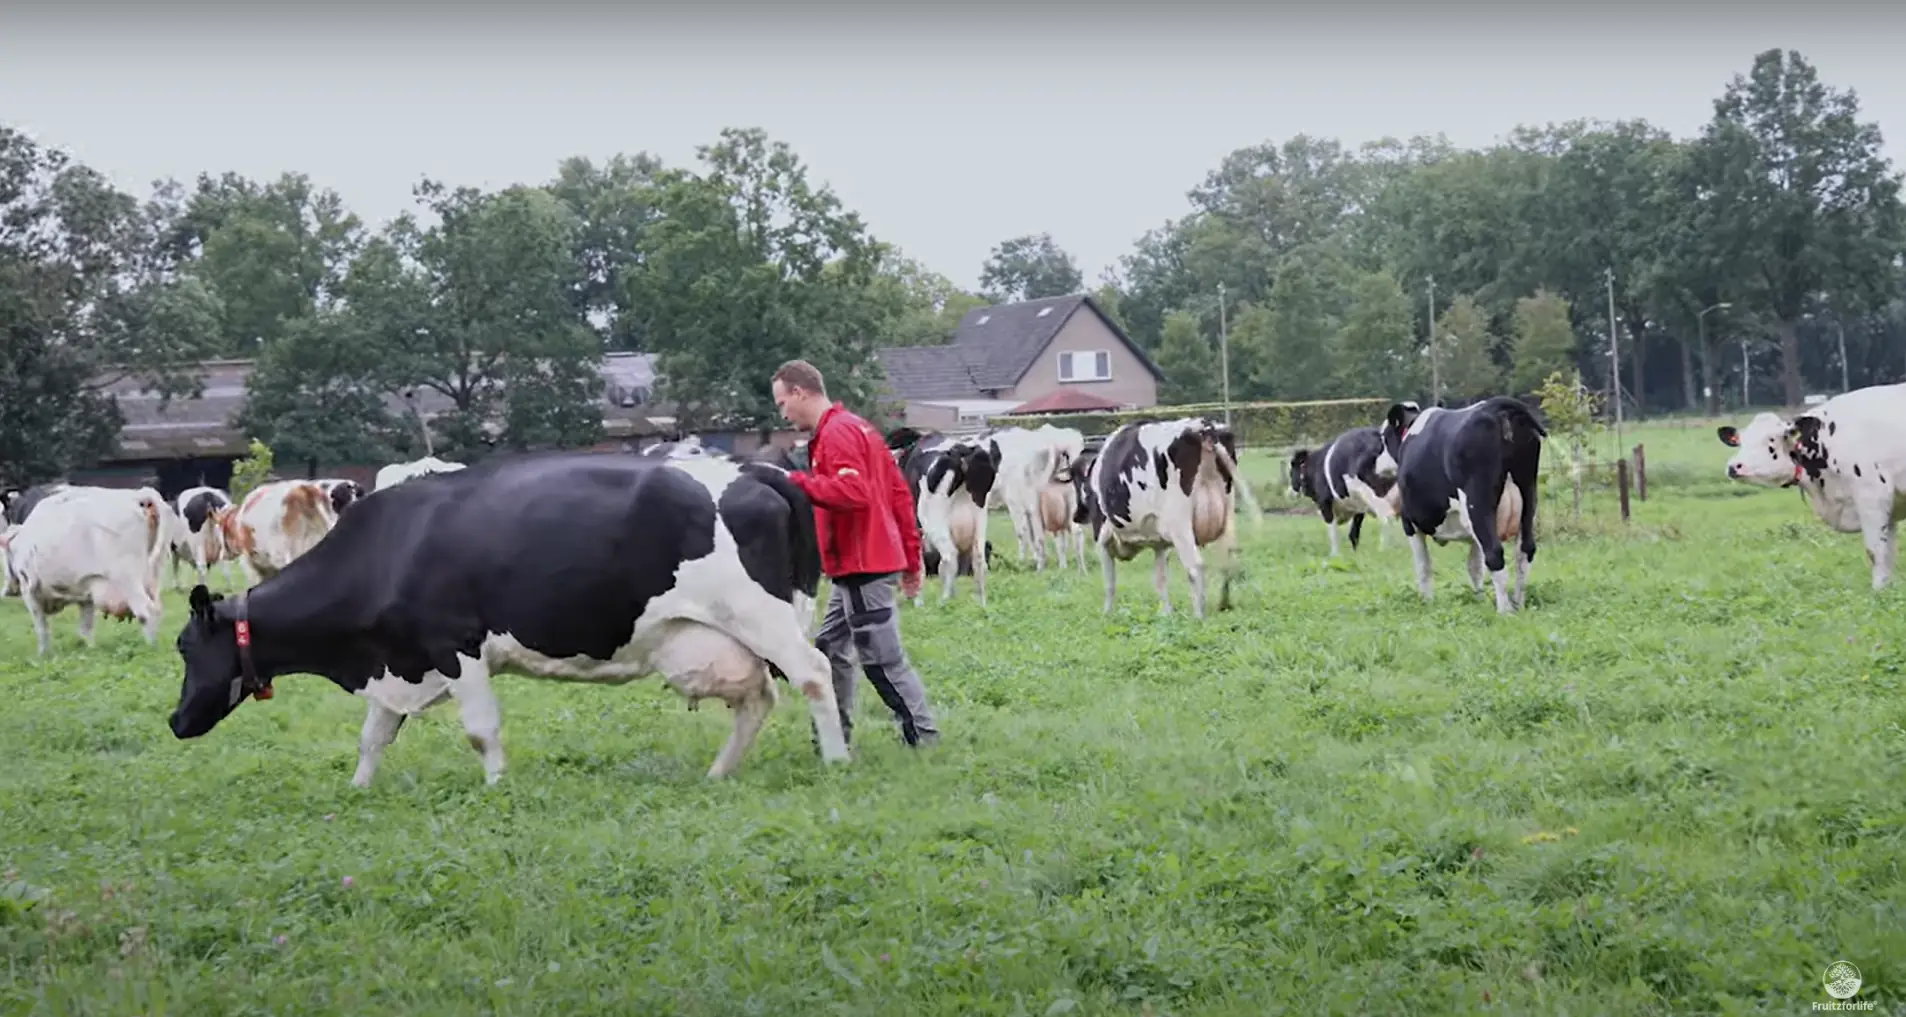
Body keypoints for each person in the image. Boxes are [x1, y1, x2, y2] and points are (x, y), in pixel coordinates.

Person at [770, 359, 939, 750]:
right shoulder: (857, 428)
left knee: (881, 660)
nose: (782, 412)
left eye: (782, 403)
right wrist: (911, 561)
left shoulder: (838, 434)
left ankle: (924, 740)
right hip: (857, 566)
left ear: (800, 392)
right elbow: (898, 495)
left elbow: (854, 494)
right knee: (830, 648)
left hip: (863, 564)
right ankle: (833, 739)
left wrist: (793, 482)